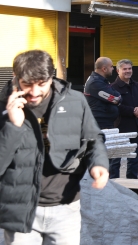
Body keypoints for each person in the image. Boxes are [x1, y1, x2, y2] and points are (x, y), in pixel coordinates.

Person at [0, 50, 109, 244]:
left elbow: (94, 139)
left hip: (66, 209)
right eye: (27, 84)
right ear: (15, 78)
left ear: (51, 77)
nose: (34, 92)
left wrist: (99, 163)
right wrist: (12, 127)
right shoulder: (2, 108)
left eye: (41, 84)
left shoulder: (75, 101)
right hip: (20, 211)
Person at [108, 59, 138, 179]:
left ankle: (132, 184)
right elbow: (114, 106)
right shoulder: (112, 88)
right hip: (120, 128)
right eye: (124, 69)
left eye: (129, 68)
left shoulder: (136, 85)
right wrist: (132, 111)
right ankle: (114, 186)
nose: (128, 71)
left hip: (136, 127)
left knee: (134, 158)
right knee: (115, 160)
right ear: (118, 71)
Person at [84, 57, 122, 129]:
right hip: (99, 125)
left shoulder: (102, 81)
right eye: (111, 66)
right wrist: (118, 99)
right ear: (104, 69)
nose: (113, 68)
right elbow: (116, 99)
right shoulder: (95, 83)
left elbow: (115, 95)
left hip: (105, 123)